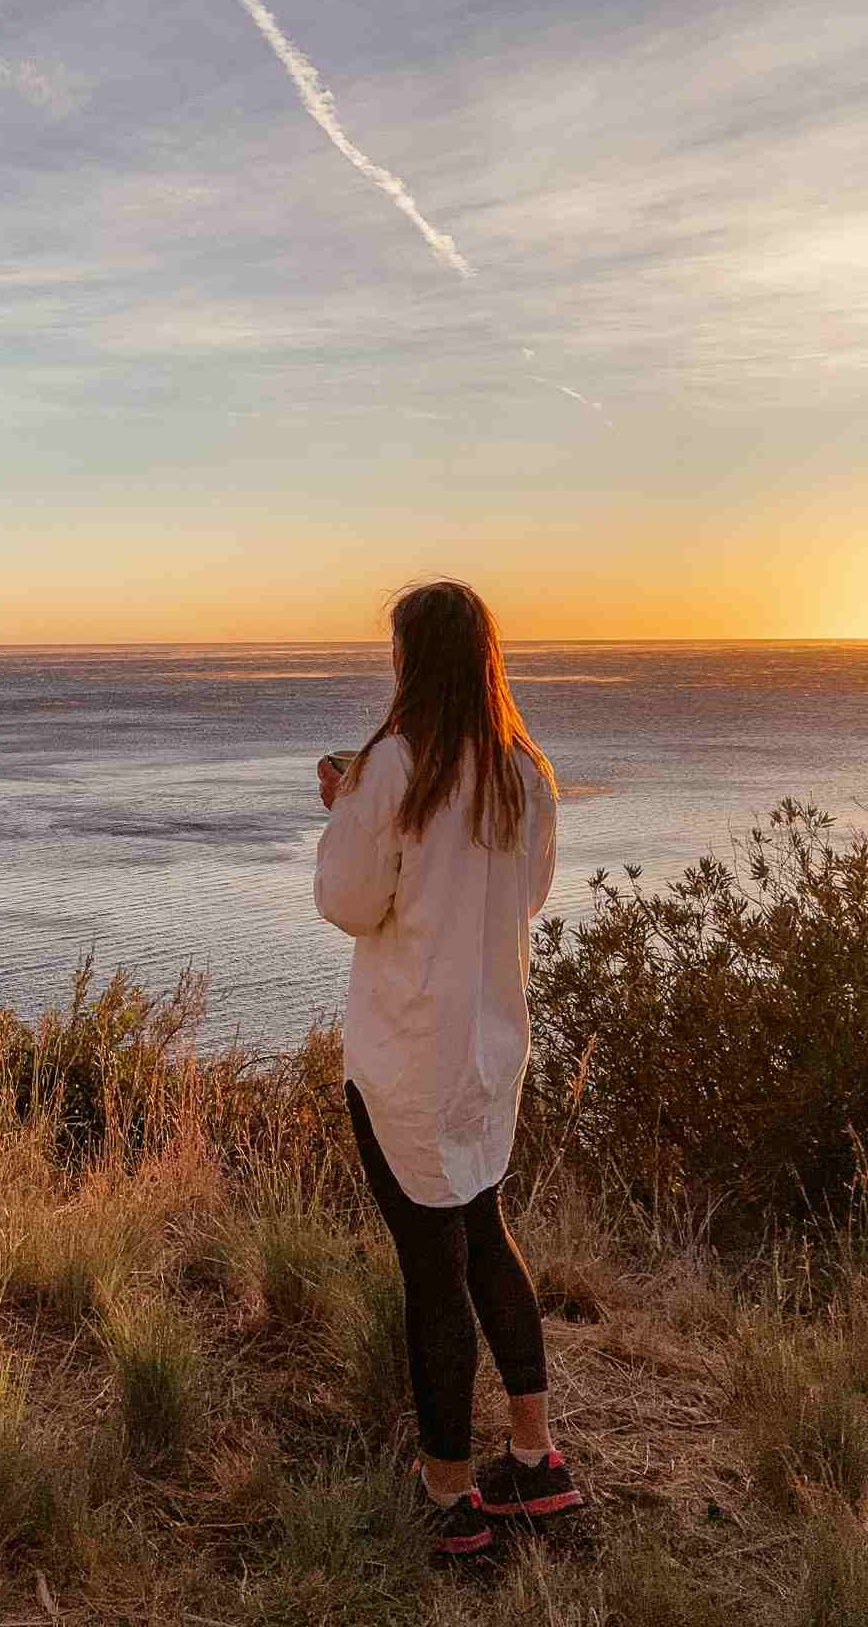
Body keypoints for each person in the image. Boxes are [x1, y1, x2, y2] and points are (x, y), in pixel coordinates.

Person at [314, 579, 585, 1565]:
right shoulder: (525, 769)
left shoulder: (393, 766)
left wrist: (347, 806)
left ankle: (450, 1494)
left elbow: (347, 901)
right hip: (489, 1054)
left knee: (433, 1272)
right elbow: (533, 893)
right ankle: (535, 1456)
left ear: (411, 659)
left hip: (404, 1060)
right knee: (485, 1237)